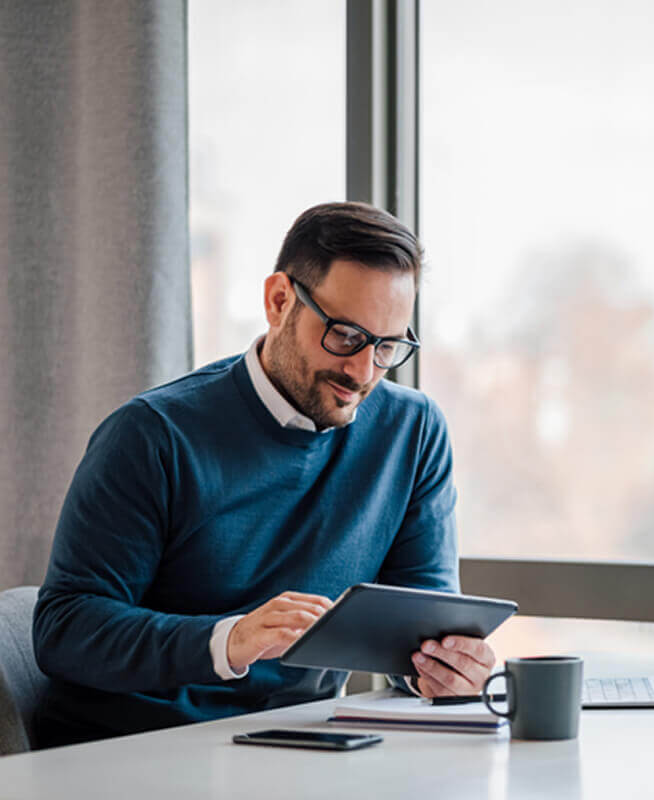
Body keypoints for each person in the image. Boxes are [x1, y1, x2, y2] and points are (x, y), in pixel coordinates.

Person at [32, 201, 496, 747]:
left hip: (301, 746)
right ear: (279, 301)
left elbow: (419, 631)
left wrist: (445, 668)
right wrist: (229, 639)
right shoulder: (152, 435)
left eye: (387, 346)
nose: (363, 371)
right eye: (345, 336)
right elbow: (65, 630)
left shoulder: (412, 433)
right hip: (136, 749)